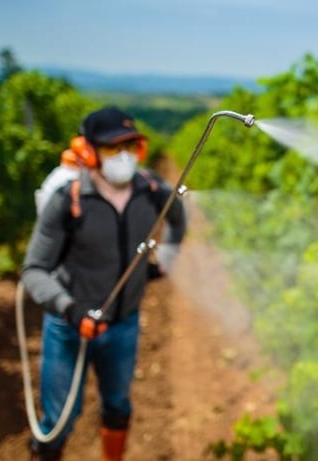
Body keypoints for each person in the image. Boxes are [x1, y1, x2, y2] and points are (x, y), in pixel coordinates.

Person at [22, 106, 187, 460]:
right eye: (113, 147)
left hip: (123, 324)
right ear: (89, 151)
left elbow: (177, 217)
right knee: (59, 420)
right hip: (68, 329)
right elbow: (34, 270)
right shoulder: (68, 201)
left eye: (130, 146)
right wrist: (69, 309)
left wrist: (164, 263)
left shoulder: (151, 191)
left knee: (117, 405)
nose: (123, 156)